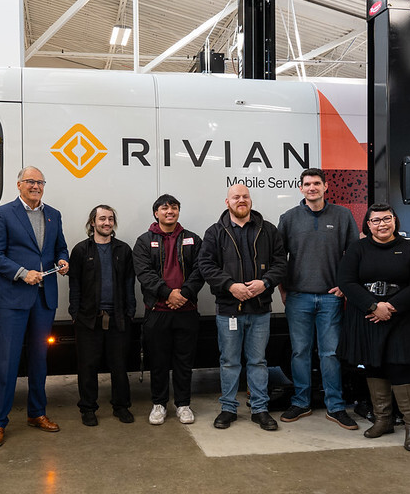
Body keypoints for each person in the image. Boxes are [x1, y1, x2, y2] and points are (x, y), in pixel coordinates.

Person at [337, 203, 410, 451]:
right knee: (374, 365)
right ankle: (383, 420)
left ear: (395, 221)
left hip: (403, 317)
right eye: (375, 220)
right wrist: (372, 306)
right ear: (368, 225)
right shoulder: (357, 249)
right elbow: (346, 281)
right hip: (368, 317)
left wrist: (390, 307)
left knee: (403, 369)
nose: (382, 224)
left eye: (386, 219)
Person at [0, 166, 69, 448]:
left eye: (40, 182)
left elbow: (60, 248)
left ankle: (37, 413)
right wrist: (22, 272)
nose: (35, 186)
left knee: (39, 360)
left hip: (44, 300)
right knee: (7, 362)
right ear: (18, 184)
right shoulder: (4, 213)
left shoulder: (53, 214)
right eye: (30, 181)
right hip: (14, 300)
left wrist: (63, 261)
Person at [198, 184, 286, 431]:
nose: (241, 200)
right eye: (236, 197)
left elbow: (281, 263)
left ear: (250, 200)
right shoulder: (215, 232)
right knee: (229, 361)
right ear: (227, 202)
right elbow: (206, 265)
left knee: (258, 361)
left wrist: (265, 282)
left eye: (245, 196)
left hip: (260, 308)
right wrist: (230, 286)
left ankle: (260, 409)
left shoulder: (267, 230)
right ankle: (228, 408)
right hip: (229, 309)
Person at [277, 168, 359, 430]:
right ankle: (301, 402)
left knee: (330, 353)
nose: (312, 188)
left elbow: (354, 254)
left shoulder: (343, 215)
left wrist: (345, 287)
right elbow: (279, 259)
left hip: (330, 298)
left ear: (326, 187)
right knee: (300, 352)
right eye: (307, 184)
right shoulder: (288, 218)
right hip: (298, 297)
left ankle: (335, 406)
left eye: (316, 183)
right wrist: (282, 289)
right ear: (300, 188)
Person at [133, 194, 204, 425]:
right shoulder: (144, 241)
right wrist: (168, 293)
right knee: (158, 361)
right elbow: (144, 273)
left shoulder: (193, 239)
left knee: (184, 362)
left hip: (186, 311)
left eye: (173, 207)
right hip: (157, 312)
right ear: (156, 213)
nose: (169, 211)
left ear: (178, 212)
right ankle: (159, 404)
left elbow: (200, 270)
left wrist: (183, 295)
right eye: (164, 208)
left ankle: (183, 405)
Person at [68, 205, 136, 426]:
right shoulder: (81, 250)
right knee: (87, 367)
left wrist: (129, 312)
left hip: (118, 318)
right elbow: (74, 284)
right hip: (88, 319)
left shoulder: (123, 250)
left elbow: (129, 283)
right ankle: (88, 408)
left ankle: (121, 406)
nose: (107, 223)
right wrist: (75, 313)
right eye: (102, 219)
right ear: (93, 222)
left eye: (110, 219)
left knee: (119, 366)